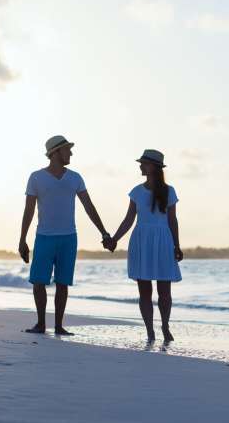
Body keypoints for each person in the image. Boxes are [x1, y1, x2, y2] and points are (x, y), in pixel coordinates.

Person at [19, 135, 112, 335]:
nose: (70, 153)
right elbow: (28, 210)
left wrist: (104, 232)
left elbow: (89, 207)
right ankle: (41, 324)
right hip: (44, 237)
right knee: (38, 282)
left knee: (63, 283)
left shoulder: (75, 178)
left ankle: (59, 326)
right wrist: (22, 240)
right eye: (67, 149)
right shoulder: (36, 177)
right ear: (55, 152)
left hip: (69, 237)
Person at [106, 149, 183, 343]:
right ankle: (150, 331)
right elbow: (129, 219)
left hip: (164, 241)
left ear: (154, 167)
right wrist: (114, 239)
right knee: (145, 291)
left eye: (144, 163)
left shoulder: (169, 191)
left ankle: (165, 326)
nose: (140, 166)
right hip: (141, 240)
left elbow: (173, 221)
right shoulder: (137, 192)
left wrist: (177, 246)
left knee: (165, 290)